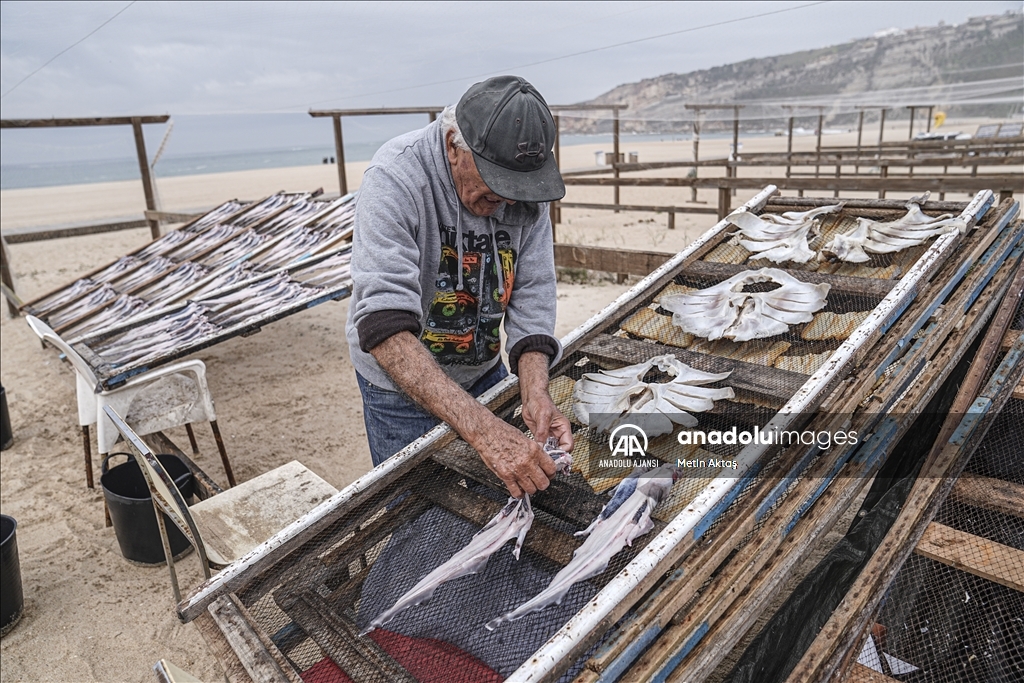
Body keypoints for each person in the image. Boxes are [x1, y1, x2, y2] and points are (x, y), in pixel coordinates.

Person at [346, 75, 573, 498]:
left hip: (483, 371)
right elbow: (383, 324)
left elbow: (534, 291)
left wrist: (535, 390)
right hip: (400, 392)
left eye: (517, 189)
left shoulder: (523, 188)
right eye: (496, 185)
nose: (507, 202)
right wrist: (484, 431)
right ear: (454, 146)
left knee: (502, 496)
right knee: (416, 514)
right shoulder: (396, 177)